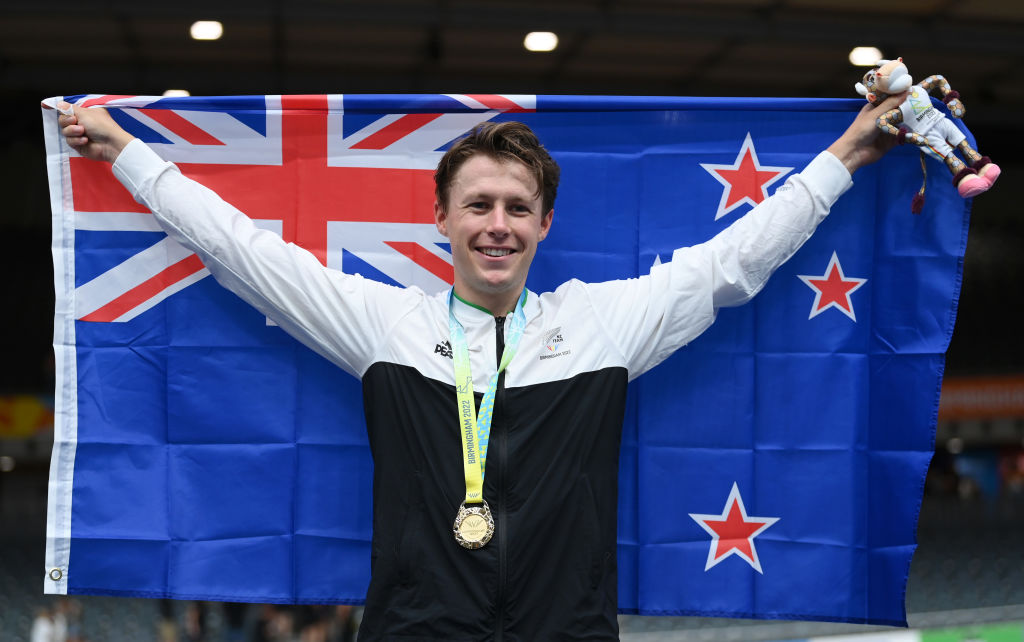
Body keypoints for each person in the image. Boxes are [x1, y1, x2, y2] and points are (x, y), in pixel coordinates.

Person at [58, 93, 904, 641]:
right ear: (442, 219)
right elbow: (242, 252)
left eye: (517, 208)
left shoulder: (600, 325)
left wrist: (853, 151)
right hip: (414, 631)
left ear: (542, 224)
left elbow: (733, 263)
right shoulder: (386, 324)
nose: (497, 225)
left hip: (564, 631)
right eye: (478, 206)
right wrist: (124, 151)